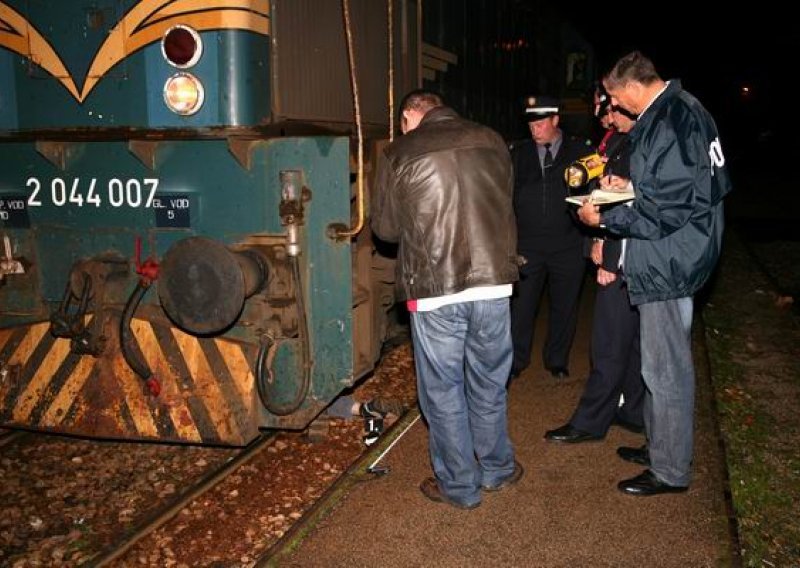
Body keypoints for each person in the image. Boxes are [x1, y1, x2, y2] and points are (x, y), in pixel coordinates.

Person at [577, 51, 733, 495]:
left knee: (665, 370)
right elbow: (676, 186)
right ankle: (662, 447)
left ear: (628, 88)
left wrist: (604, 219)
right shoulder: (680, 111)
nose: (612, 106)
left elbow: (665, 211)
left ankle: (669, 471)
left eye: (611, 96)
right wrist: (629, 187)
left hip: (669, 258)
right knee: (657, 365)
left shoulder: (669, 120)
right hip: (675, 253)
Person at [371, 89, 523, 510]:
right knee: (490, 381)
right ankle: (497, 468)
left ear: (408, 117)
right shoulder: (493, 140)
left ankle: (460, 485)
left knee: (443, 391)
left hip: (435, 290)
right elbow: (505, 205)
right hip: (494, 283)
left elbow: (384, 229)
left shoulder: (399, 152)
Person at [545, 89, 646, 443]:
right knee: (633, 344)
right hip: (631, 257)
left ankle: (590, 423)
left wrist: (607, 250)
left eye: (607, 107)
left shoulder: (637, 142)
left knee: (608, 344)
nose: (605, 115)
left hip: (626, 257)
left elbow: (632, 206)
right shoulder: (618, 140)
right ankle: (634, 411)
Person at [509, 95, 592, 379]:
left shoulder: (581, 151)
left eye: (541, 123)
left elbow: (597, 194)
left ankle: (557, 360)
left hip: (568, 244)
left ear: (556, 120)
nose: (535, 130)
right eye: (531, 124)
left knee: (565, 306)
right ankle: (516, 360)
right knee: (521, 307)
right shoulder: (517, 154)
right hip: (527, 245)